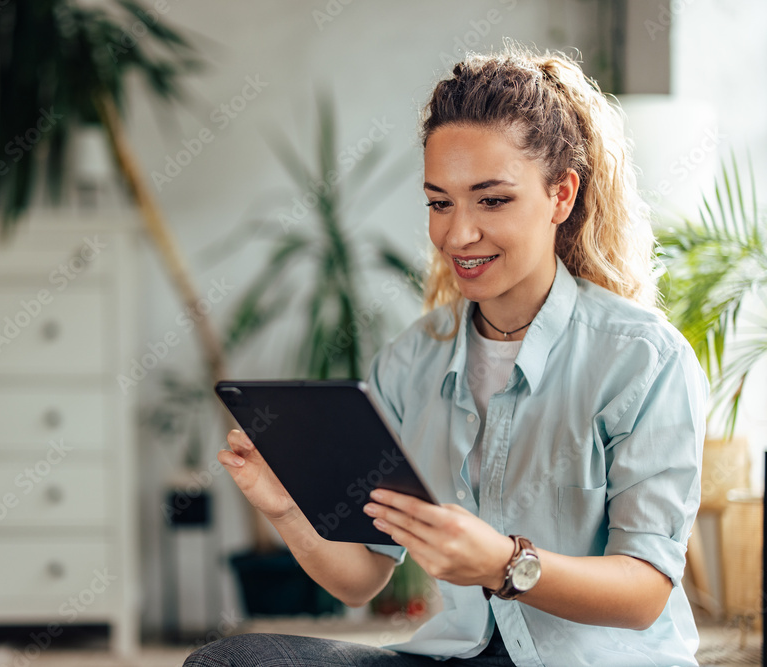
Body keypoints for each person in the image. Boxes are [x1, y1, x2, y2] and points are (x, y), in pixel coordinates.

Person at [185, 44, 706, 667]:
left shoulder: (642, 359)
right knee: (234, 663)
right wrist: (286, 508)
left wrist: (505, 564)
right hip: (453, 657)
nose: (457, 234)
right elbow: (361, 577)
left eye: (492, 200)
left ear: (561, 196)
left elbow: (645, 591)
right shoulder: (412, 363)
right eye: (440, 202)